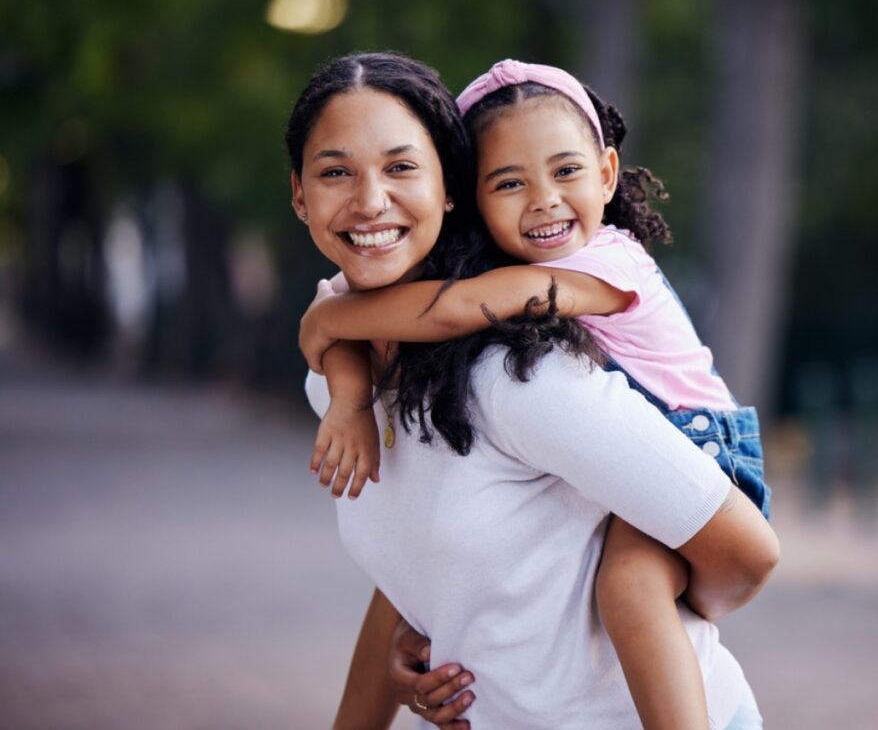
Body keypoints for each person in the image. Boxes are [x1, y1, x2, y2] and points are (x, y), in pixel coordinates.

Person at [288, 51, 779, 729]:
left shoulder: (522, 372)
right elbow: (422, 561)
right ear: (299, 194)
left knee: (632, 585)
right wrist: (445, 638)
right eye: (336, 171)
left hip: (703, 442)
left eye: (401, 166)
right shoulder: (347, 378)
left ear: (447, 188)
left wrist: (685, 598)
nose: (370, 199)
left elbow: (748, 549)